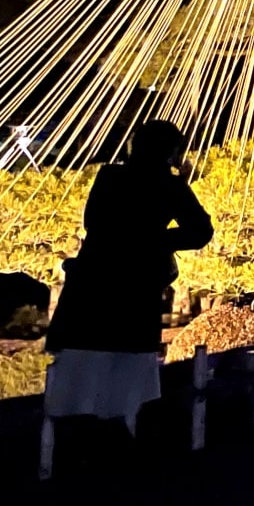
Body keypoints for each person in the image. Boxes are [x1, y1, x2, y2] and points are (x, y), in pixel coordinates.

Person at [44, 119, 213, 466]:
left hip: (95, 279)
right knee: (125, 362)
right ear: (171, 152)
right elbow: (200, 231)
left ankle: (76, 443)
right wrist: (158, 241)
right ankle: (117, 438)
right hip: (135, 285)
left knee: (84, 359)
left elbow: (93, 222)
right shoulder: (169, 187)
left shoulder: (109, 177)